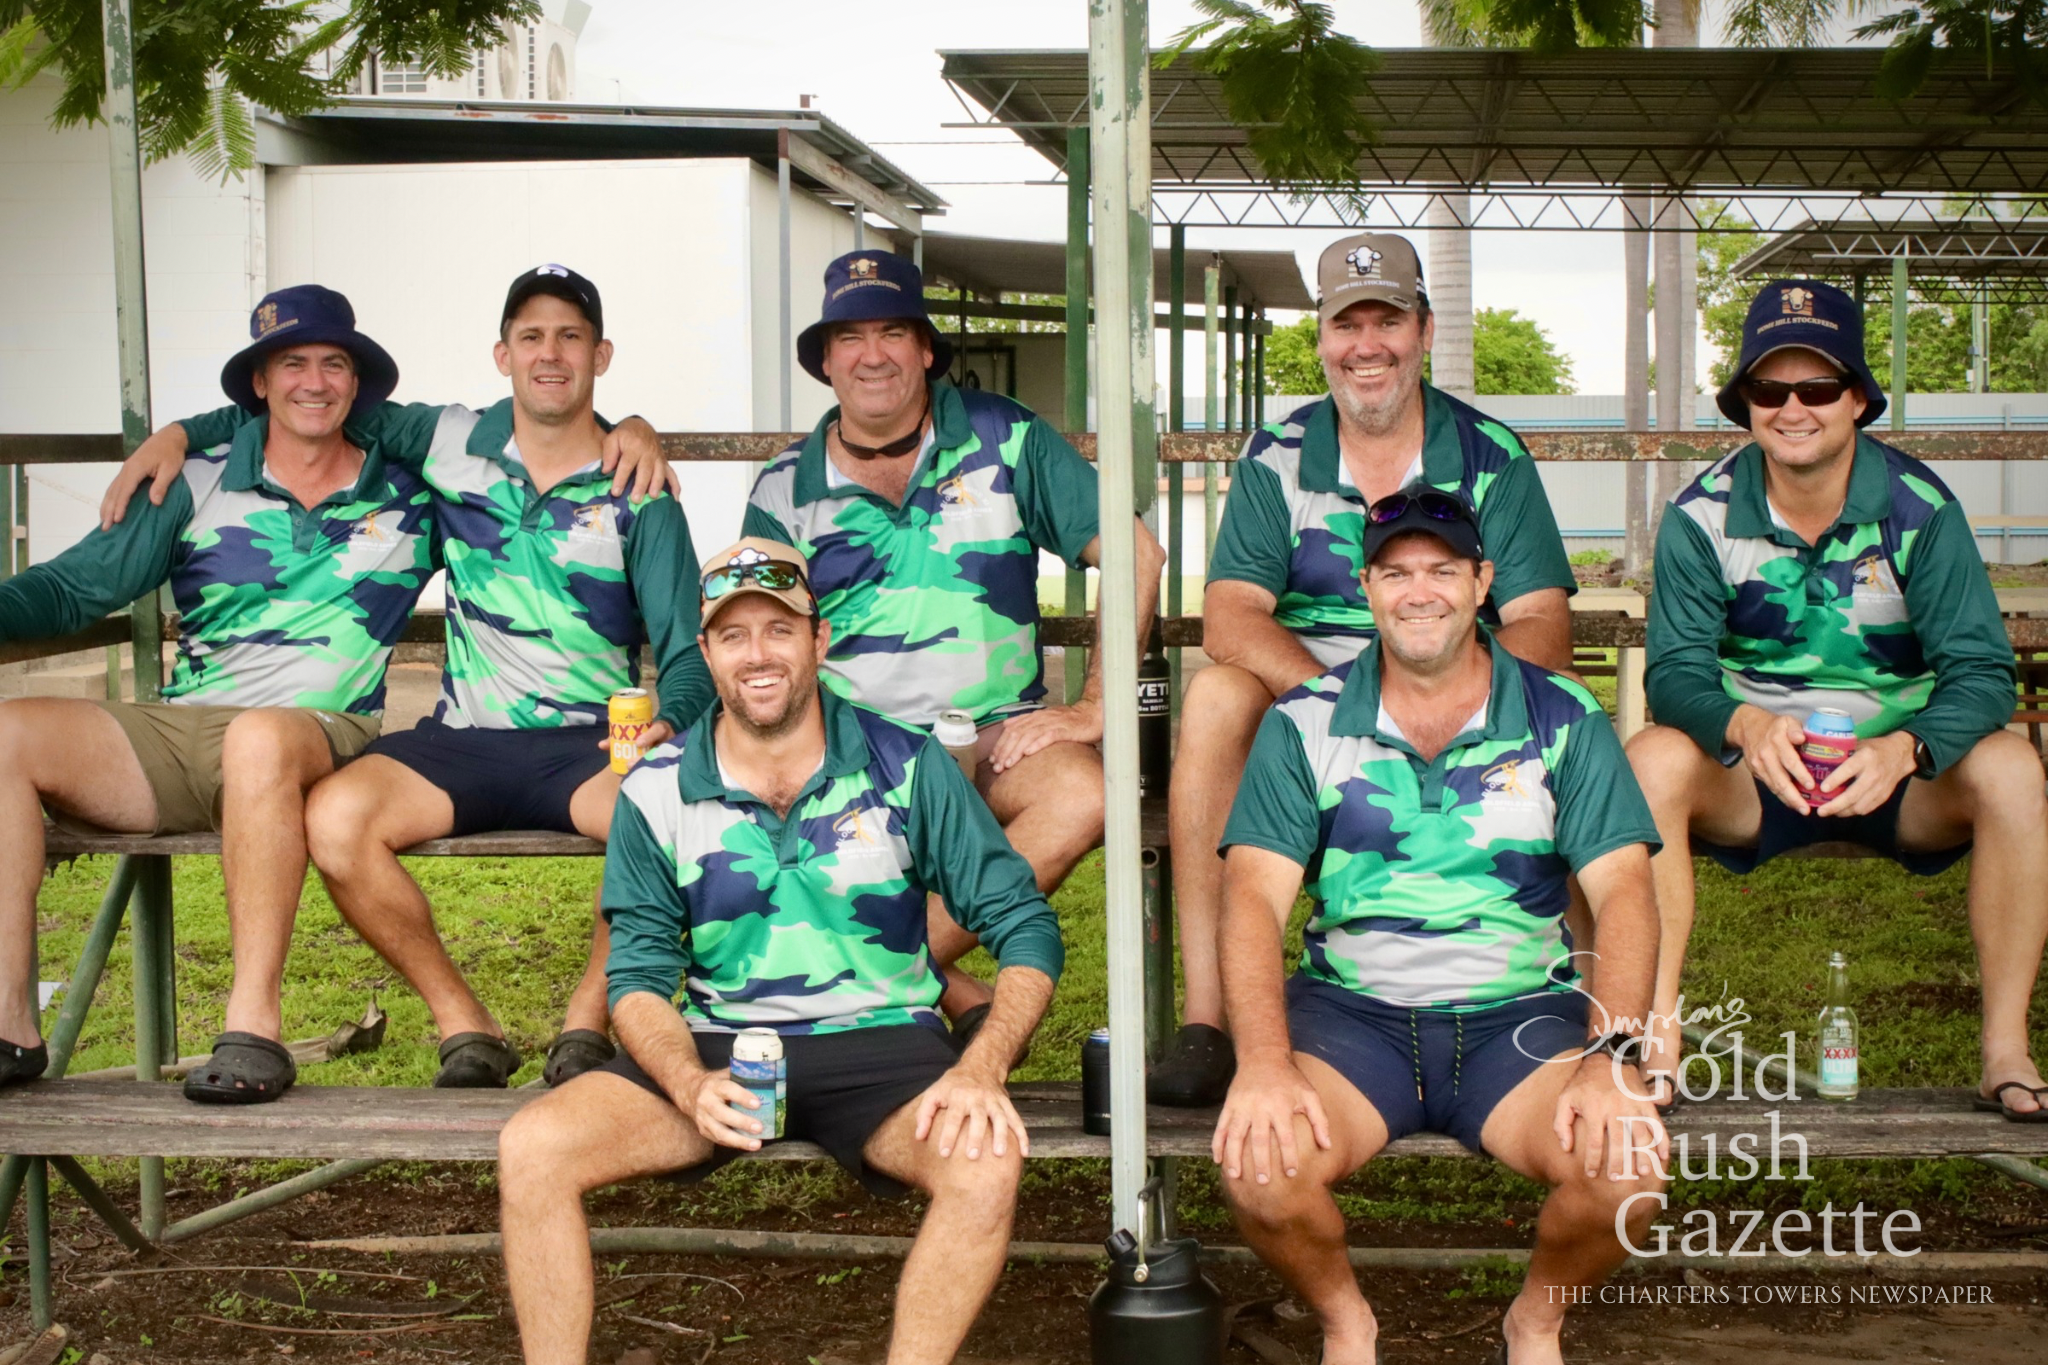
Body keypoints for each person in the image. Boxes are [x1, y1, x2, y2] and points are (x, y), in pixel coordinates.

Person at [104, 265, 699, 1094]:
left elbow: (685, 650)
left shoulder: (642, 489)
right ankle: (466, 1023)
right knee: (336, 817)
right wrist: (180, 431)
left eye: (571, 337)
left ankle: (585, 1024)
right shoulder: (449, 439)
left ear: (601, 355)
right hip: (462, 738)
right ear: (502, 354)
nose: (550, 354)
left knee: (668, 816)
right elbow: (306, 400)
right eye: (531, 336)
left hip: (588, 744)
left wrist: (672, 719)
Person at [497, 537, 1062, 1365]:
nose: (757, 653)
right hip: (717, 1046)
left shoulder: (908, 763)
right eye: (733, 635)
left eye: (779, 629)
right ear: (706, 655)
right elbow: (638, 977)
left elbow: (1025, 924)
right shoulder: (654, 787)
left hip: (885, 1044)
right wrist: (687, 1082)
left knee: (985, 1162)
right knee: (533, 1146)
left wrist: (982, 1066)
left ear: (818, 638)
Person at [1211, 491, 1666, 1365]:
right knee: (1261, 1170)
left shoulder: (1563, 713)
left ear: (1482, 582)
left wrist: (1612, 1058)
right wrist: (1263, 1061)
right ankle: (1347, 1323)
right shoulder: (1304, 719)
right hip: (1353, 1021)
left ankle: (1534, 1323)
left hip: (1520, 1020)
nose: (1420, 592)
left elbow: (1625, 895)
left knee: (1626, 1172)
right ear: (1366, 587)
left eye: (1442, 571)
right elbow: (1252, 900)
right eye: (1397, 573)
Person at [1152, 233, 1579, 1106]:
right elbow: (1231, 612)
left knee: (1567, 712)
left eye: (1388, 320)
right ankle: (1209, 1018)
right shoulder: (1279, 453)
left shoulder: (1491, 454)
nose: (1367, 345)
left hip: (1460, 698)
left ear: (1424, 330)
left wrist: (1456, 699)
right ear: (1321, 338)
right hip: (1310, 708)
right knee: (1215, 694)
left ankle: (1571, 996)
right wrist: (1342, 702)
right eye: (1348, 324)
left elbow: (1542, 622)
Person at [0, 285, 437, 1096]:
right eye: (292, 363)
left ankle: (252, 1028)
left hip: (321, 732)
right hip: (186, 729)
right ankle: (8, 1028)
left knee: (260, 735)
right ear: (260, 383)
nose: (314, 381)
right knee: (5, 736)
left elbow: (523, 455)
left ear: (358, 382)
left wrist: (625, 436)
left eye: (334, 363)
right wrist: (184, 434)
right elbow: (72, 588)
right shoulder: (196, 480)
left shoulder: (414, 490)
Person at [1627, 278, 2047, 1117]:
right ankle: (1655, 1036)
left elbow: (1980, 670)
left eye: (1818, 387)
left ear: (1857, 397)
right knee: (1649, 759)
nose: (1793, 409)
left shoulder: (1921, 510)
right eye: (1768, 388)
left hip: (1901, 777)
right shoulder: (1699, 516)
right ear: (1745, 403)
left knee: (2012, 769)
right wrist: (1746, 722)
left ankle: (2006, 1047)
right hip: (1757, 776)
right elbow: (1673, 674)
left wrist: (1907, 748)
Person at [742, 250, 1164, 1045]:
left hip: (993, 735)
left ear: (927, 348)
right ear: (825, 360)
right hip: (850, 751)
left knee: (1084, 793)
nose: (873, 354)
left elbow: (1137, 554)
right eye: (850, 336)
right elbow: (763, 636)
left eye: (893, 332)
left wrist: (1092, 708)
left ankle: (869, 972)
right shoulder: (782, 486)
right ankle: (938, 985)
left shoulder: (1007, 436)